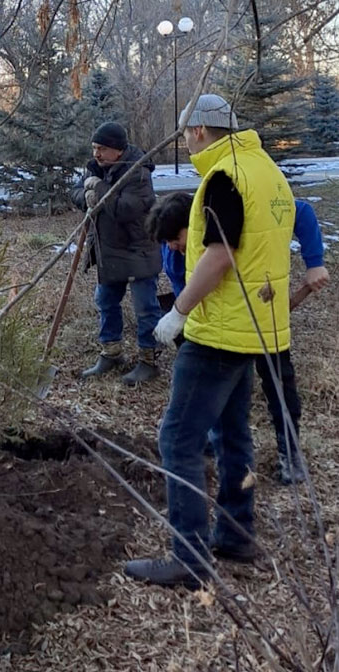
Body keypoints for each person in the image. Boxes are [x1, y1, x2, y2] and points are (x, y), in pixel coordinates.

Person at [125, 94, 295, 589]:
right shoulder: (267, 171)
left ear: (199, 131)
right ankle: (237, 534)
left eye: (185, 134)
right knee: (232, 432)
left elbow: (220, 256)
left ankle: (190, 557)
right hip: (258, 327)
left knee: (178, 439)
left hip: (220, 330)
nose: (184, 141)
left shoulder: (225, 178)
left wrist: (177, 314)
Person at [147, 192, 331, 484]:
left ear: (197, 225)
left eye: (175, 238)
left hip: (261, 311)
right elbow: (188, 294)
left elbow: (302, 212)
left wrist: (314, 263)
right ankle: (211, 436)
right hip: (220, 328)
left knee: (278, 381)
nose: (172, 246)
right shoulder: (174, 254)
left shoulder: (238, 212)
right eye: (166, 242)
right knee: (216, 385)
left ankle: (290, 453)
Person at [71, 121, 162, 385]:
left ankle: (149, 360)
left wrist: (96, 190)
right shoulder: (96, 168)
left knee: (145, 307)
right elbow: (75, 192)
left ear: (118, 150)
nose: (96, 153)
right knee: (106, 301)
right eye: (94, 148)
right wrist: (88, 194)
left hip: (138, 250)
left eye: (102, 148)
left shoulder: (139, 172)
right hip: (109, 250)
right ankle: (111, 353)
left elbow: (126, 209)